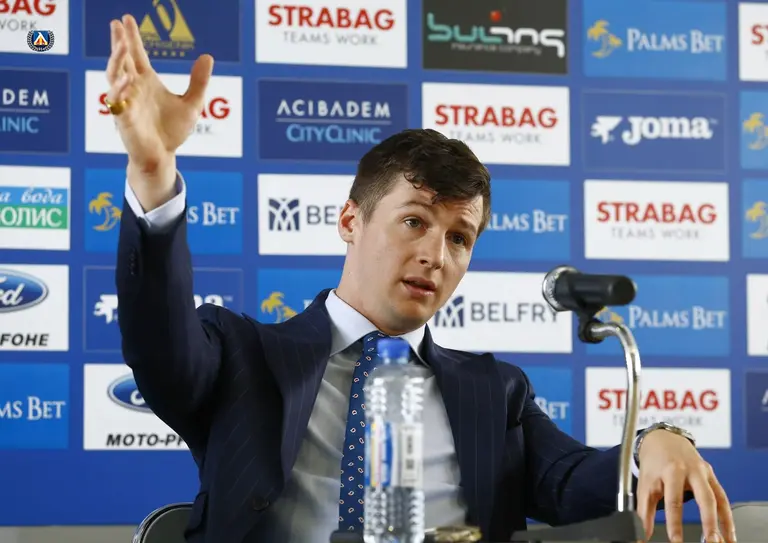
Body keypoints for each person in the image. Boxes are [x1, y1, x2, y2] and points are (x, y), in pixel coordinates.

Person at [106, 13, 735, 543]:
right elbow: (159, 343)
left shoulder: (497, 392)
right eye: (414, 222)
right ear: (350, 220)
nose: (436, 254)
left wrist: (656, 442)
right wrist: (154, 176)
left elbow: (575, 483)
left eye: (459, 237)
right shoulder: (242, 356)